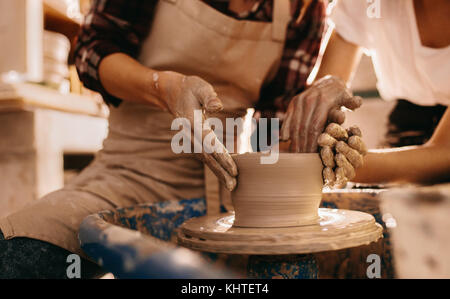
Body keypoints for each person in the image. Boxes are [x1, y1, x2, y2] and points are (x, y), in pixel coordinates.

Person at [0, 0, 335, 278]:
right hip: (129, 176)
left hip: (235, 190)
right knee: (16, 256)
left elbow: (270, 130)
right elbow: (91, 52)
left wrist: (314, 144)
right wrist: (164, 88)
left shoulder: (303, 8)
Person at [280, 0, 450, 185]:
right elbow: (325, 85)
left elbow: (444, 151)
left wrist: (335, 161)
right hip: (406, 127)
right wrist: (324, 91)